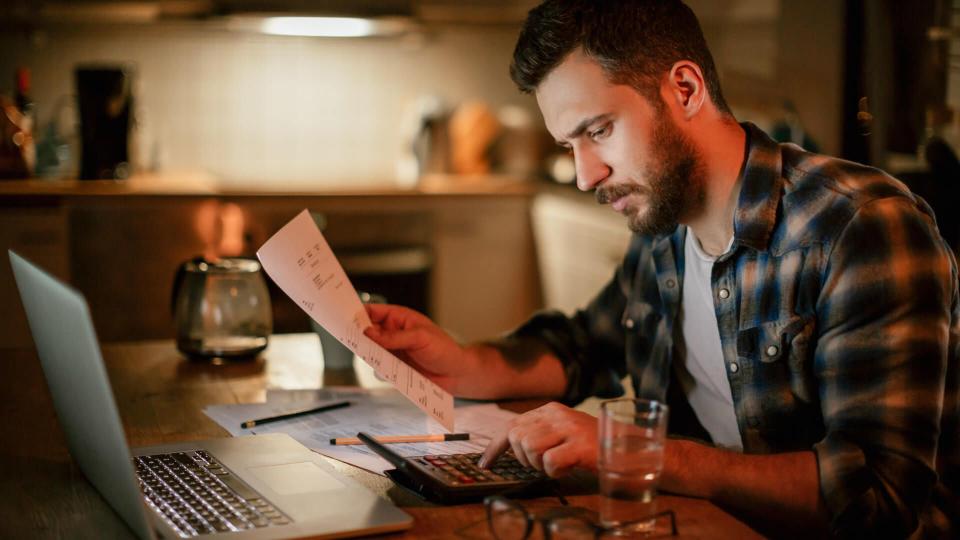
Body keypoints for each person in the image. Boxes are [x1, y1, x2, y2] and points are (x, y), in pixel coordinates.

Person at [363, 1, 959, 537]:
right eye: (569, 146)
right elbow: (585, 345)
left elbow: (878, 498)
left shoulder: (861, 227)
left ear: (685, 88)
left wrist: (642, 452)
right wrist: (460, 363)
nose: (585, 174)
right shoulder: (662, 224)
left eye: (598, 131)